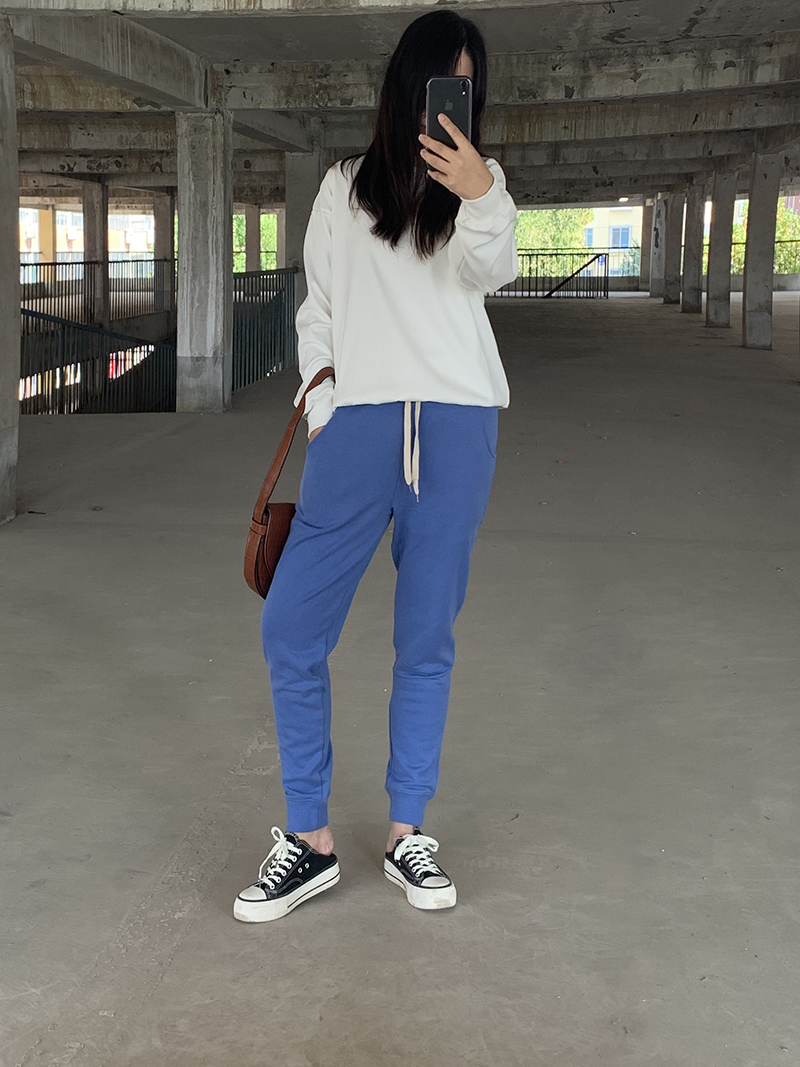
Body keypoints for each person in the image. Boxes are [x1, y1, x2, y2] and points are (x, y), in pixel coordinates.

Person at [234, 9, 518, 923]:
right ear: (408, 83)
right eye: (443, 81)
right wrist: (325, 409)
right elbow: (317, 309)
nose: (454, 99)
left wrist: (479, 190)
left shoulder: (480, 191)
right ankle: (309, 840)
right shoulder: (342, 189)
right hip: (355, 430)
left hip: (456, 426)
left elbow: (496, 272)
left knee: (425, 636)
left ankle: (407, 832)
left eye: (468, 87)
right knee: (291, 625)